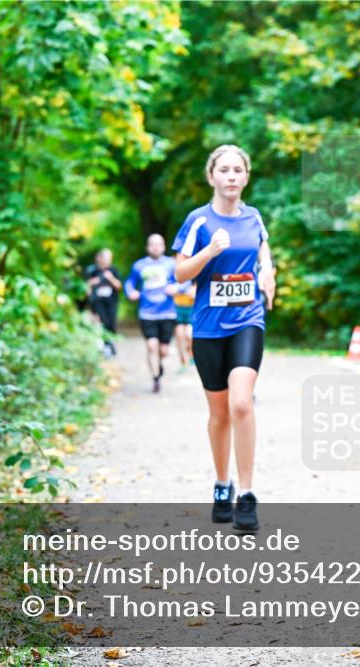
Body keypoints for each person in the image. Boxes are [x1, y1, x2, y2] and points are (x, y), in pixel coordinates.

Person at [172, 144, 276, 532]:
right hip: (208, 326)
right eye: (224, 170)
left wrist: (268, 273)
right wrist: (209, 252)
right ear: (212, 177)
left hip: (248, 319)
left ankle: (247, 495)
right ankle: (222, 485)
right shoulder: (198, 221)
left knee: (242, 404)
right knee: (218, 414)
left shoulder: (254, 218)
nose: (231, 176)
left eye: (238, 170)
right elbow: (181, 273)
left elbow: (264, 251)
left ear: (246, 177)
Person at [124, 234, 179, 393]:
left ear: (163, 246)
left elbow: (185, 280)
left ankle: (158, 364)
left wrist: (177, 288)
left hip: (167, 313)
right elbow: (129, 282)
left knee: (163, 351)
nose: (156, 247)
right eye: (152, 244)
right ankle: (156, 378)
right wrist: (131, 292)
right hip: (147, 313)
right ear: (148, 247)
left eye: (159, 244)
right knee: (151, 345)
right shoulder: (139, 265)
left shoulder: (171, 264)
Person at [84, 249, 122, 357]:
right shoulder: (92, 271)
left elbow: (119, 286)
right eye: (105, 258)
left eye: (109, 258)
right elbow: (86, 288)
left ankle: (110, 344)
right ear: (99, 258)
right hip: (97, 301)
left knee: (112, 324)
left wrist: (111, 278)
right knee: (103, 323)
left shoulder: (113, 270)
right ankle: (107, 346)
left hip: (111, 301)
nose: (107, 261)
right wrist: (92, 282)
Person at [173, 279, 196, 372]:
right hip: (178, 310)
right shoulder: (173, 273)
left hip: (191, 310)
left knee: (189, 335)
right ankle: (182, 361)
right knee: (179, 336)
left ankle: (192, 355)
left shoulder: (193, 278)